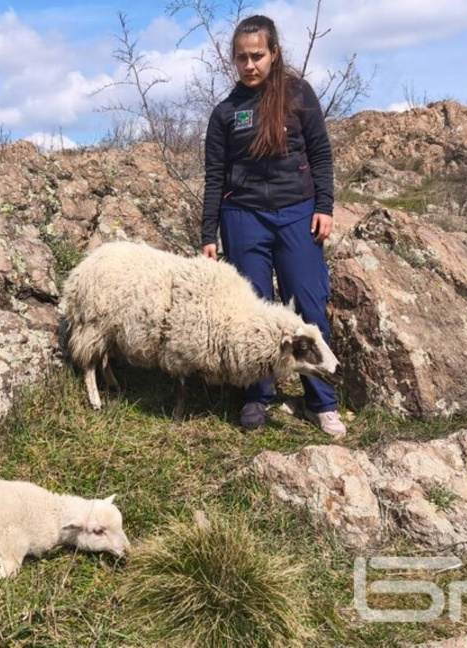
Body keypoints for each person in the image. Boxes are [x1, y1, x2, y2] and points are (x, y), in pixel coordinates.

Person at [200, 14, 346, 437]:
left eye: (258, 56)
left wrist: (325, 205)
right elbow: (214, 176)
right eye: (242, 58)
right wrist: (208, 234)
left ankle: (322, 401)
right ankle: (256, 397)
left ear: (274, 53)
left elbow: (320, 154)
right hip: (243, 217)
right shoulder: (226, 112)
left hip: (298, 214)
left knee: (310, 305)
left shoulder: (298, 96)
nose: (250, 65)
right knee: (254, 317)